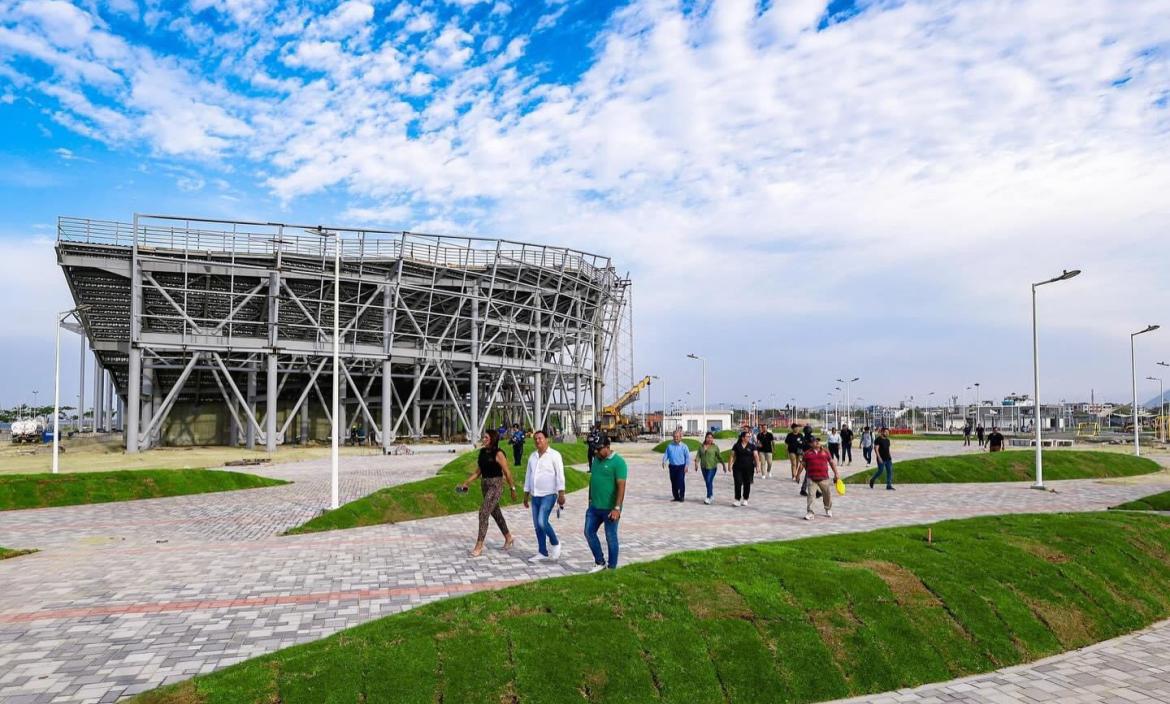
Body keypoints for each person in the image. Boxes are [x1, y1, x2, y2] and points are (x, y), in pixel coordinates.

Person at [459, 429, 517, 557]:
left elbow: (507, 472)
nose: (483, 439)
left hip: (496, 485)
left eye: (486, 437)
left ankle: (479, 545)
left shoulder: (499, 453)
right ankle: (508, 537)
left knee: (483, 512)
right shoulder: (482, 452)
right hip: (484, 485)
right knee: (496, 513)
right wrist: (466, 483)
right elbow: (478, 472)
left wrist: (512, 489)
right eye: (483, 437)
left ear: (492, 439)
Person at [523, 430, 566, 562]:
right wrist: (526, 495)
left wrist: (561, 493)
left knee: (542, 521)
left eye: (540, 438)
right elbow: (528, 476)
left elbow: (560, 475)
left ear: (547, 439)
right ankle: (542, 551)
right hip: (535, 495)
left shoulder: (554, 455)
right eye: (535, 439)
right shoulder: (533, 456)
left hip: (549, 495)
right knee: (537, 525)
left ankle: (555, 543)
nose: (538, 441)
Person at [585, 437, 627, 572]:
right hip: (594, 507)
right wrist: (590, 500)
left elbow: (621, 486)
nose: (596, 451)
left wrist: (617, 508)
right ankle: (599, 562)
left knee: (610, 537)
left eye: (598, 448)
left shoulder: (619, 462)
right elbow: (593, 480)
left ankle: (612, 568)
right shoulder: (596, 460)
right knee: (588, 532)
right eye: (594, 448)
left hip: (610, 508)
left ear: (607, 447)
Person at [801, 436, 840, 520]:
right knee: (811, 495)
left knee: (827, 495)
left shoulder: (825, 451)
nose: (817, 442)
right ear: (810, 444)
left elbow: (831, 463)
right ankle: (810, 513)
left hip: (824, 478)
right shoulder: (807, 453)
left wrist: (836, 473)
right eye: (815, 441)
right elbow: (803, 464)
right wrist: (797, 475)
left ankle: (828, 509)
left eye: (818, 440)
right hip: (811, 478)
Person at [693, 431, 727, 504]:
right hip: (703, 467)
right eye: (708, 437)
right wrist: (696, 464)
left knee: (708, 480)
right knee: (708, 482)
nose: (710, 439)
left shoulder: (715, 447)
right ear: (705, 438)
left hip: (712, 467)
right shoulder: (701, 447)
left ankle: (708, 497)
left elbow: (719, 457)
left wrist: (723, 465)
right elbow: (698, 456)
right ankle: (711, 495)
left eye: (711, 438)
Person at [729, 430, 759, 507]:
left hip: (749, 468)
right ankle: (737, 499)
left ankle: (745, 499)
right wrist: (729, 465)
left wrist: (758, 466)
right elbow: (732, 455)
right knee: (738, 483)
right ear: (742, 438)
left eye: (749, 436)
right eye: (747, 436)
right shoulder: (736, 445)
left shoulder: (752, 446)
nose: (749, 437)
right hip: (737, 468)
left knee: (747, 483)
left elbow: (756, 456)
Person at [662, 429, 692, 502]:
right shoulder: (670, 446)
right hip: (672, 467)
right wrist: (663, 461)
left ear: (680, 437)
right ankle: (676, 497)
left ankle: (681, 496)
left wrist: (687, 466)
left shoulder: (684, 446)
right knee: (673, 482)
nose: (676, 438)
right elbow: (666, 454)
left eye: (677, 436)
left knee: (680, 481)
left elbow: (688, 457)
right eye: (674, 436)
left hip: (681, 467)